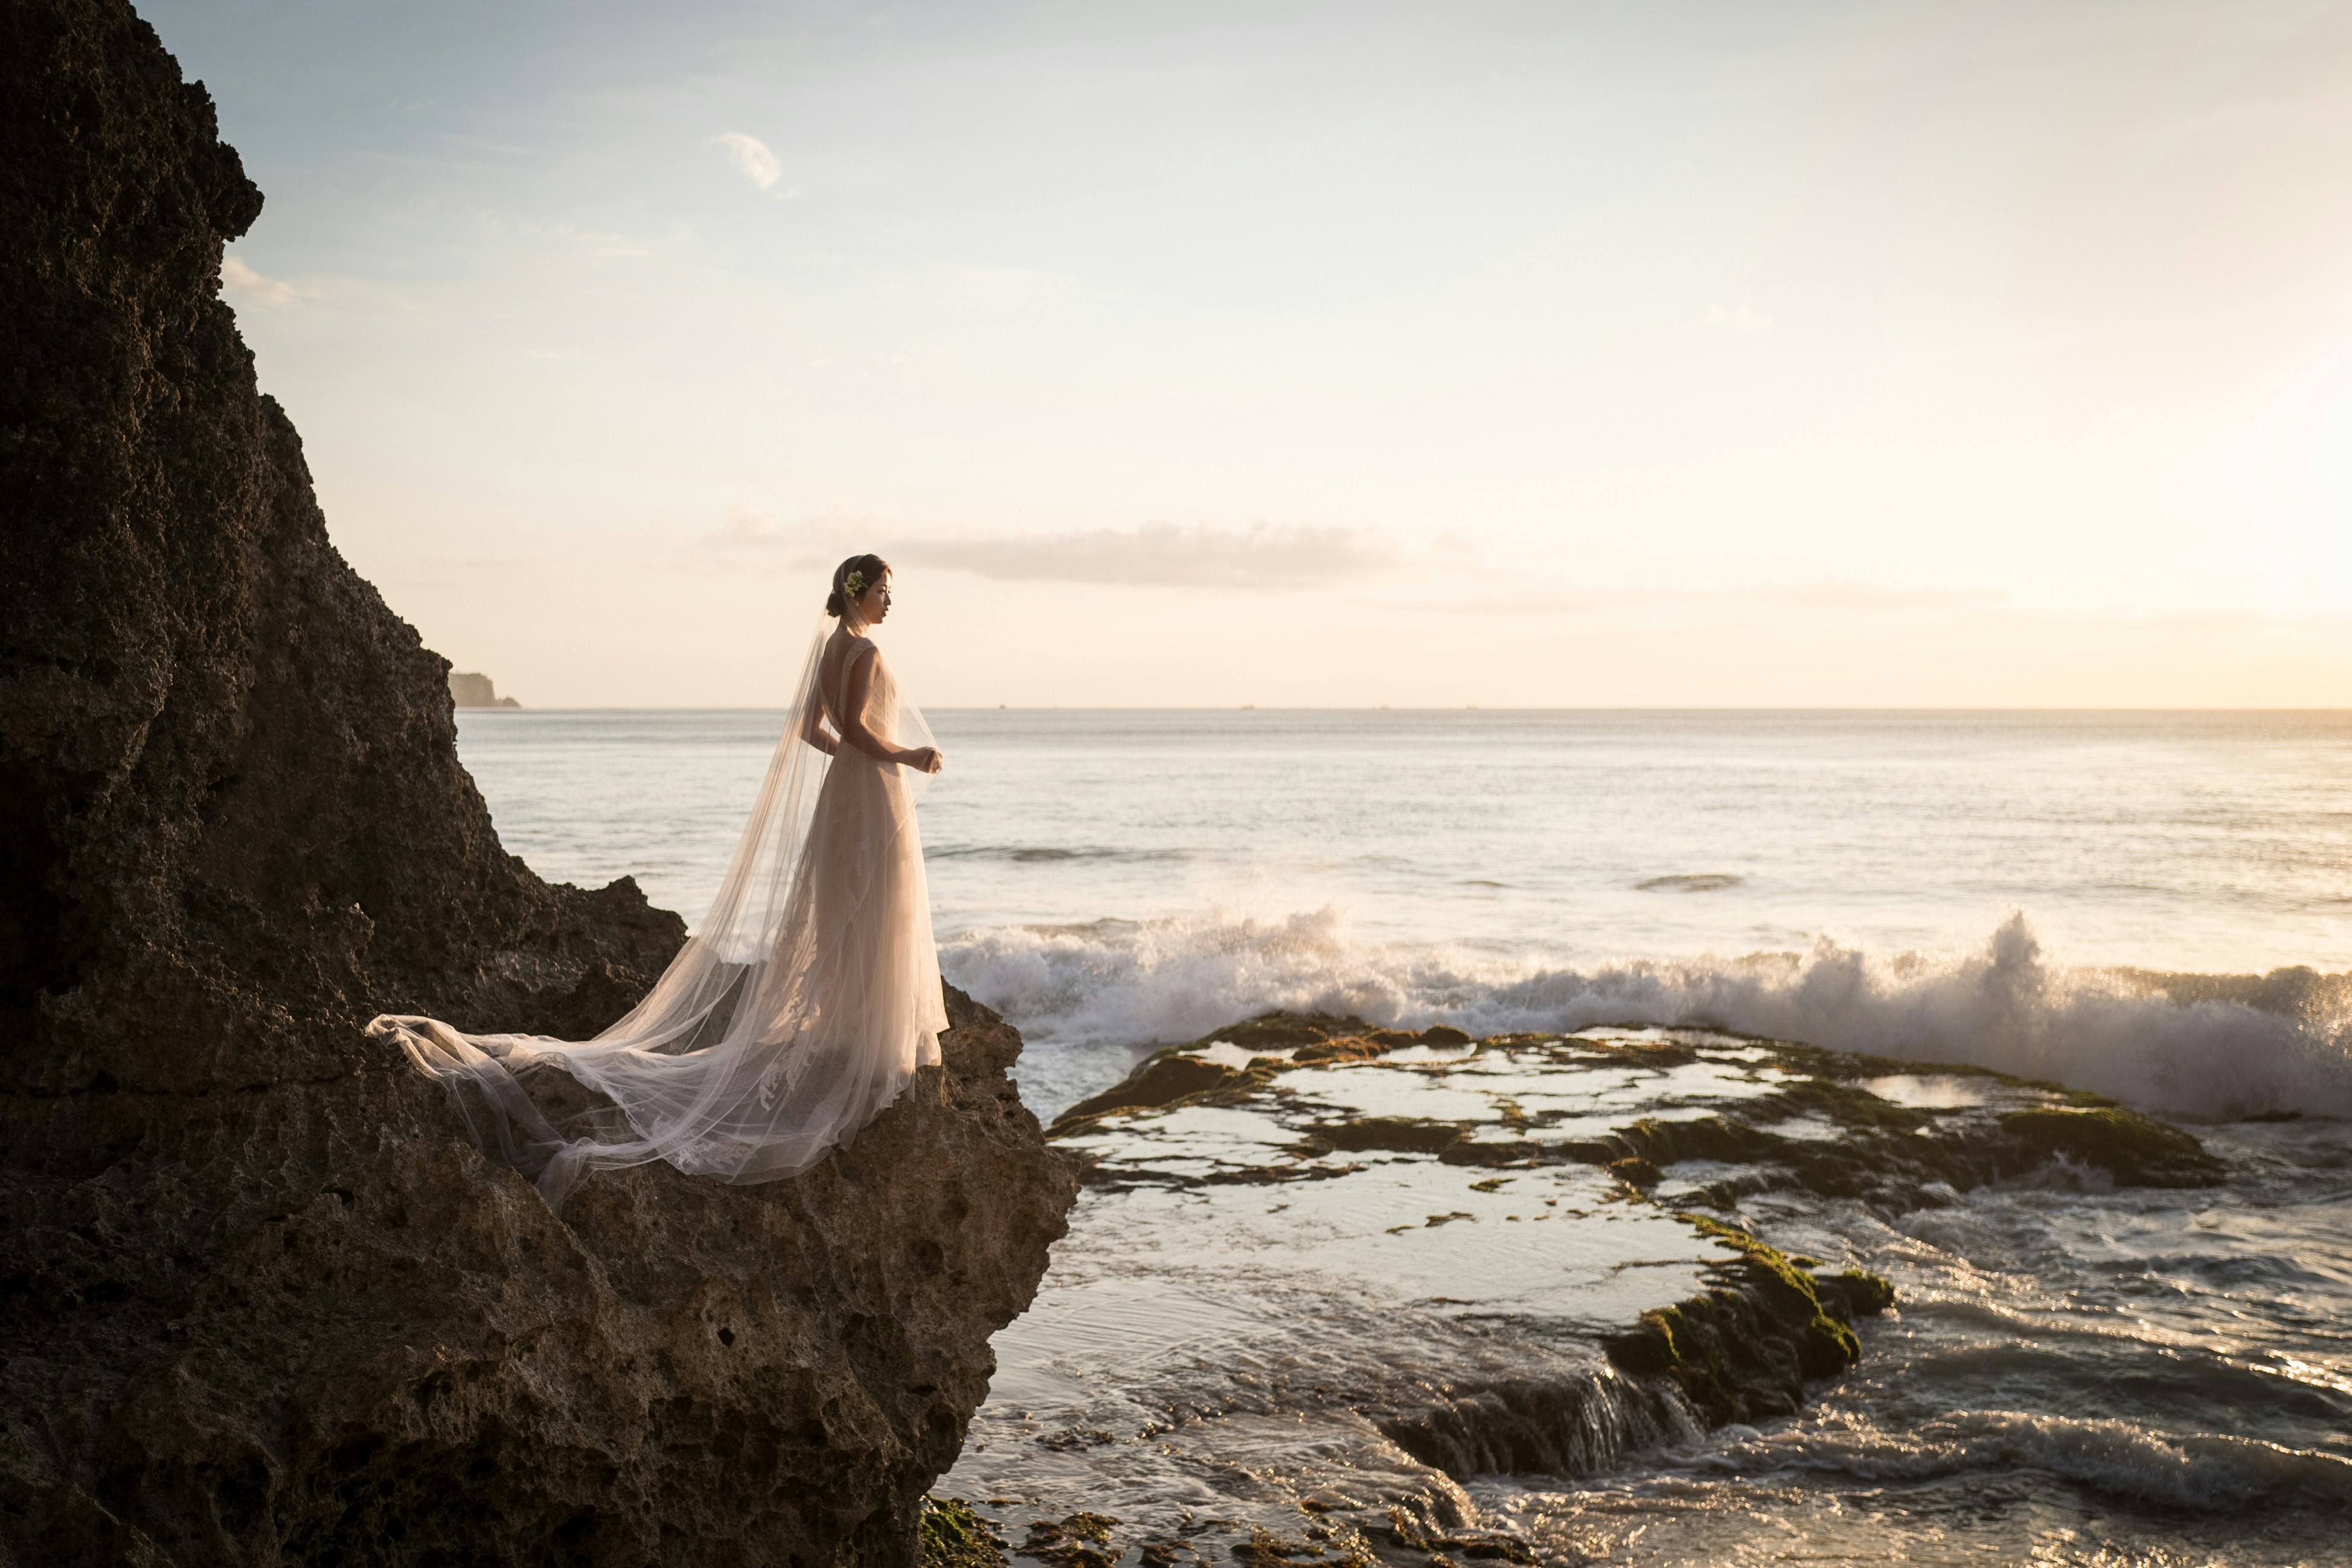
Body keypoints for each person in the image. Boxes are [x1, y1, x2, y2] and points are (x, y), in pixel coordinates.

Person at [370, 554, 949, 1209]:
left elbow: (816, 731)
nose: (888, 601)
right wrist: (906, 755)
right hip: (870, 789)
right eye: (882, 591)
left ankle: (848, 1024)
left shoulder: (829, 650)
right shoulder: (865, 653)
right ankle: (867, 1034)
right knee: (873, 904)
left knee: (846, 904)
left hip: (846, 791)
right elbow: (854, 729)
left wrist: (851, 762)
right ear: (858, 591)